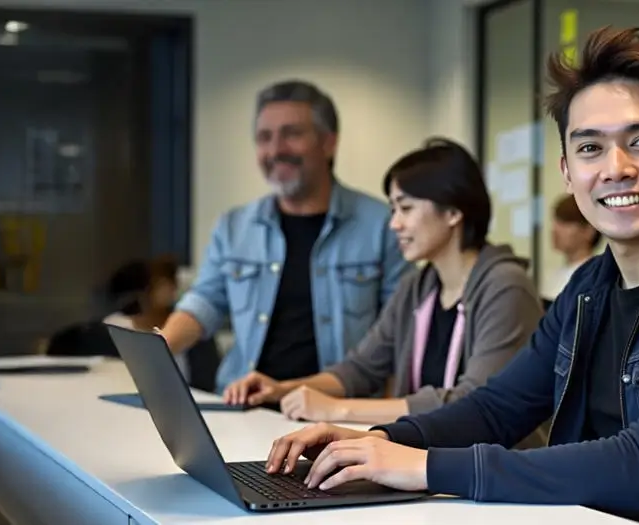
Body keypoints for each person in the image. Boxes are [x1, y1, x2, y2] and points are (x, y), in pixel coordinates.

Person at [261, 27, 639, 524]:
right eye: (590, 148)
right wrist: (377, 442)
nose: (616, 169)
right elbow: (497, 410)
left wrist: (425, 467)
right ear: (567, 170)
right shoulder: (591, 286)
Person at [221, 138, 544, 430]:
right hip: (428, 459)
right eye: (393, 209)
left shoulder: (506, 287)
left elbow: (474, 402)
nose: (394, 224)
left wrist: (338, 410)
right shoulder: (417, 288)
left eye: (406, 208)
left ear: (452, 212)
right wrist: (283, 389)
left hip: (492, 472)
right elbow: (361, 368)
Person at [157, 80, 410, 392]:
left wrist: (390, 424)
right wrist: (160, 349)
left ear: (329, 143)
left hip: (338, 413)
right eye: (264, 138)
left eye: (292, 134)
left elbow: (401, 335)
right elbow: (205, 302)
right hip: (245, 406)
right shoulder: (233, 227)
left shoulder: (384, 224)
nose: (276, 150)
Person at [45, 256, 220, 392]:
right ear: (143, 292)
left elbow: (208, 384)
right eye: (162, 284)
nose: (172, 290)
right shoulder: (107, 334)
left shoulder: (196, 335)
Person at [542, 196, 601, 300]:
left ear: (589, 230)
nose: (555, 230)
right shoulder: (553, 275)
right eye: (555, 222)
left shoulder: (595, 277)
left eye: (565, 223)